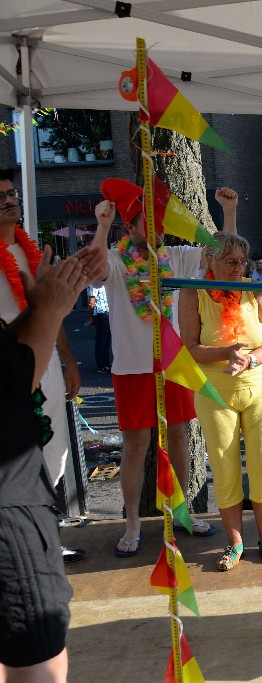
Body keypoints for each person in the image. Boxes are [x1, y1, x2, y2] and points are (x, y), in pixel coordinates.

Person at [89, 180, 231, 557]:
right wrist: (102, 226)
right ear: (130, 228)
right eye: (146, 224)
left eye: (159, 224)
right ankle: (133, 521)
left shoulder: (176, 256)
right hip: (132, 367)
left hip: (173, 364)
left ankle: (182, 512)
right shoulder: (118, 261)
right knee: (137, 444)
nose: (155, 231)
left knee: (181, 436)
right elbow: (93, 269)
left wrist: (228, 212)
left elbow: (223, 253)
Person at [0, 247, 100, 683]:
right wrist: (52, 308)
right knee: (38, 661)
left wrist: (45, 304)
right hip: (8, 511)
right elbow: (15, 377)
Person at [179, 233, 262, 571]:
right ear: (210, 261)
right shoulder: (192, 291)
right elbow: (190, 348)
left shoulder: (257, 290)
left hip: (259, 388)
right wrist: (226, 352)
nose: (239, 268)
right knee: (224, 467)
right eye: (231, 262)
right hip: (215, 393)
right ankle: (235, 542)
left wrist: (251, 359)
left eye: (242, 262)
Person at [0, 170, 82, 535]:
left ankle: (46, 533)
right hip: (8, 371)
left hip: (45, 363)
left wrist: (69, 361)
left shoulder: (30, 251)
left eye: (11, 192)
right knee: (16, 455)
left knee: (55, 448)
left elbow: (51, 311)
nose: (8, 200)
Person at [87, 283, 112, 372]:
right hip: (108, 313)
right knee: (107, 341)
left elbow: (91, 302)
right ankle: (106, 364)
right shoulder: (105, 283)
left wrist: (90, 316)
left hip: (100, 314)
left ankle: (101, 365)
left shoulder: (92, 285)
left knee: (101, 340)